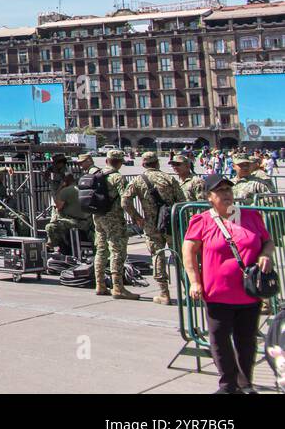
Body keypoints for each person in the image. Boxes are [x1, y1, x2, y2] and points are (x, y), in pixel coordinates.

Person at [182, 173, 275, 393]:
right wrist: (194, 281)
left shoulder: (251, 216)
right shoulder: (202, 220)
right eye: (220, 191)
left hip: (248, 293)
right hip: (217, 294)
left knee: (247, 341)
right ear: (209, 197)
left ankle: (246, 384)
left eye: (228, 190)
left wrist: (266, 254)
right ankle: (227, 385)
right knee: (220, 341)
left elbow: (268, 241)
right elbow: (189, 251)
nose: (226, 194)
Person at [122, 151, 185, 304]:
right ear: (157, 163)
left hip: (151, 225)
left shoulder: (138, 180)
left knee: (157, 256)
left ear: (143, 164)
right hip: (170, 223)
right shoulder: (168, 178)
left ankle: (164, 294)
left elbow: (125, 201)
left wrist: (137, 217)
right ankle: (189, 290)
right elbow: (182, 200)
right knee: (180, 257)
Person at [91, 149, 138, 299]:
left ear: (107, 161)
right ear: (120, 162)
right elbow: (125, 200)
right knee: (117, 251)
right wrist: (135, 216)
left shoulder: (95, 175)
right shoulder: (117, 177)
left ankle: (100, 284)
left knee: (101, 250)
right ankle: (118, 287)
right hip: (114, 219)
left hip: (98, 217)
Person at [44, 160, 92, 256]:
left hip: (76, 223)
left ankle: (51, 245)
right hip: (87, 223)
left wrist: (60, 187)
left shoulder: (67, 191)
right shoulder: (82, 189)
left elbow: (58, 206)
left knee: (51, 227)